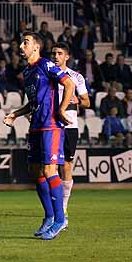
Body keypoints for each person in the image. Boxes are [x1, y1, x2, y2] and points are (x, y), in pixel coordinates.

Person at [3, 32, 76, 241]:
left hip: (50, 125)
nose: (21, 45)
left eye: (26, 42)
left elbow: (69, 84)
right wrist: (16, 114)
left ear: (36, 47)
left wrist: (62, 110)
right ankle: (49, 216)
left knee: (49, 170)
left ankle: (60, 220)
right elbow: (32, 102)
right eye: (21, 42)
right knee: (36, 172)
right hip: (35, 125)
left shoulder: (46, 65)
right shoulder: (27, 72)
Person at [52, 43, 90, 220]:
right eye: (54, 53)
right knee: (50, 167)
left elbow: (87, 102)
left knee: (66, 165)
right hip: (51, 125)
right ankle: (54, 208)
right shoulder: (47, 75)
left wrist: (76, 100)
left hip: (69, 126)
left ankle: (63, 206)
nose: (56, 56)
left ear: (67, 56)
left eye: (60, 53)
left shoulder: (76, 77)